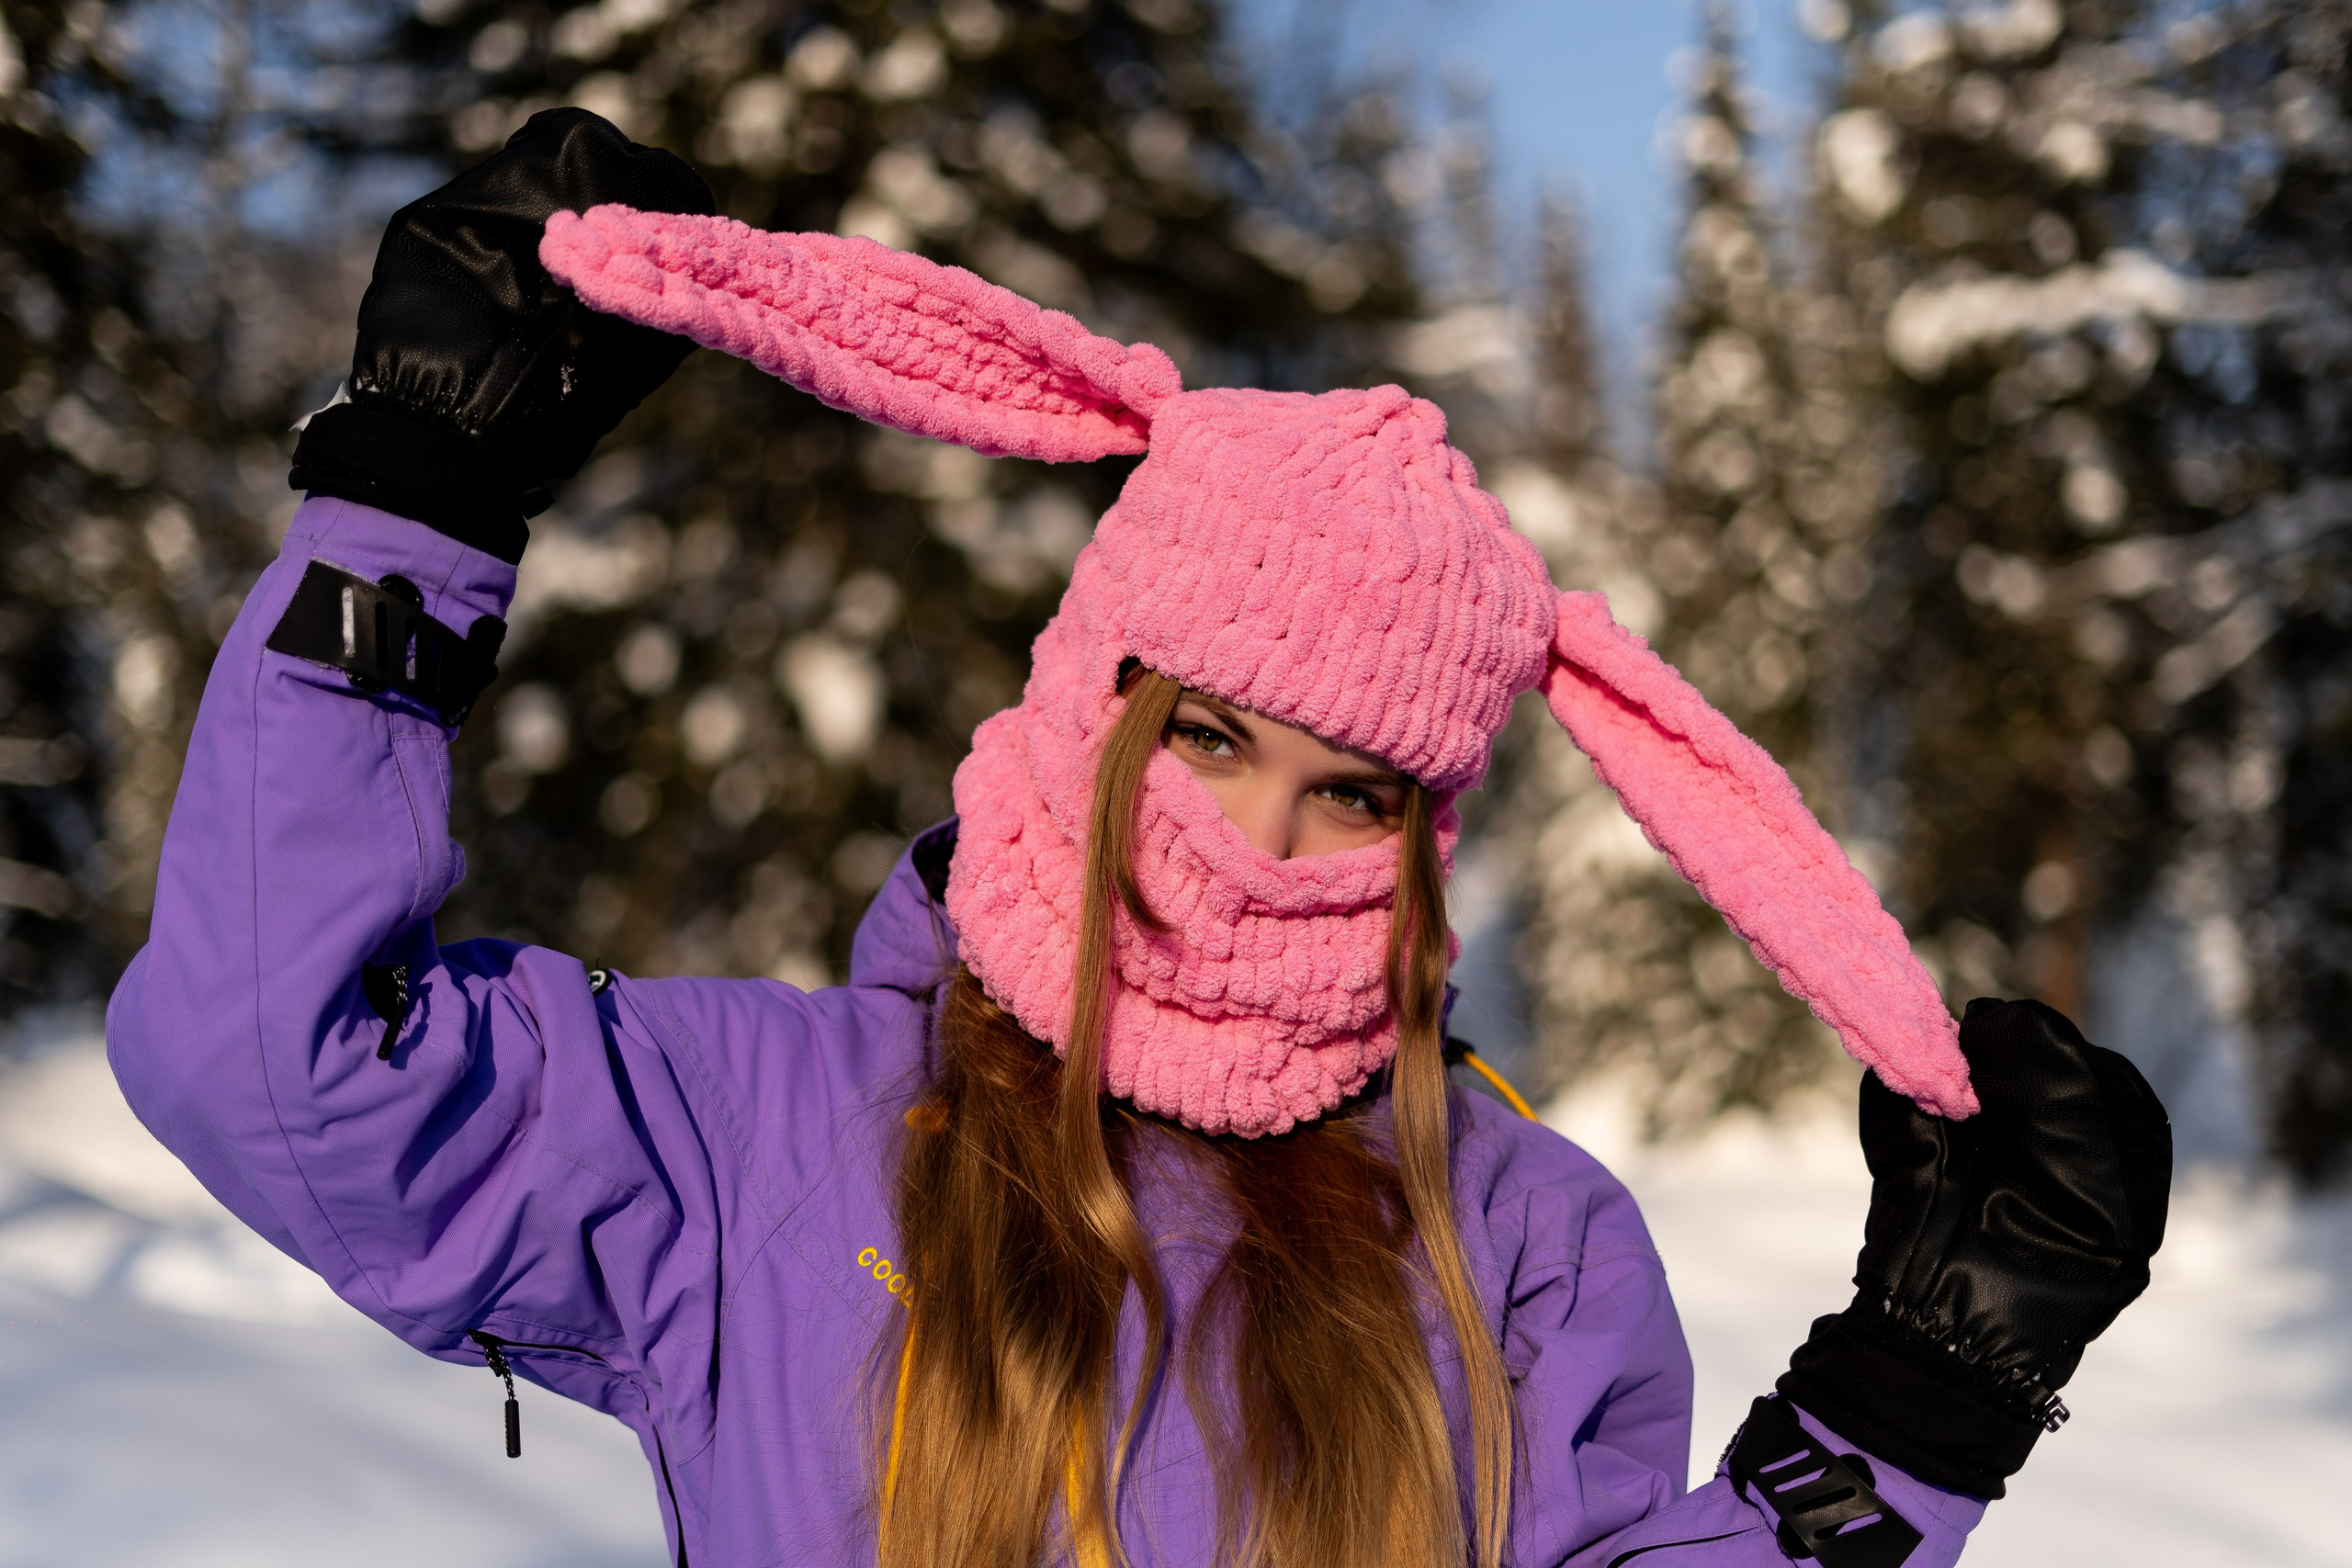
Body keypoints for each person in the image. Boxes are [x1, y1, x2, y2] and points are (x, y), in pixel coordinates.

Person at [107, 111, 2171, 1568]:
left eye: (1354, 791)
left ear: (1429, 839)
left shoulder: (1520, 1242)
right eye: (1202, 734)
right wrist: (409, 513)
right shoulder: (755, 1132)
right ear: (1087, 708)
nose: (1258, 842)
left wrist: (1910, 1413)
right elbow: (276, 1058)